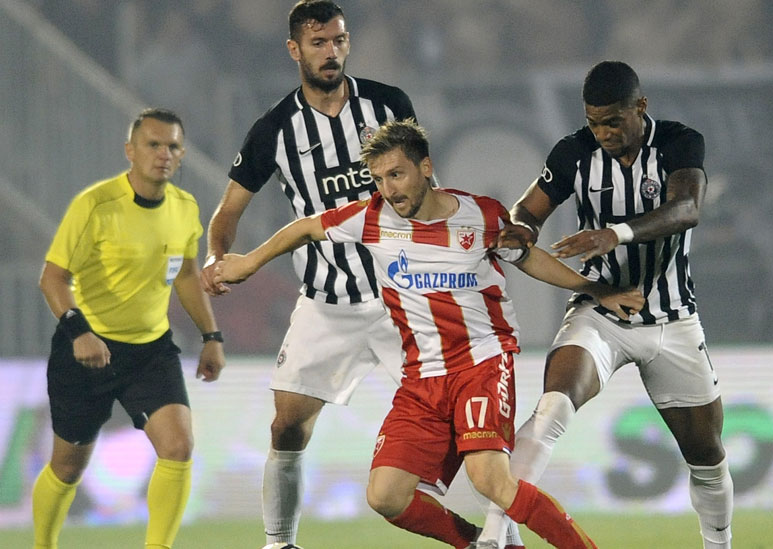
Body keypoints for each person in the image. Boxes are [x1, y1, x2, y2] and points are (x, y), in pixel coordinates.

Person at [213, 119, 645, 548]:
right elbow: (306, 226)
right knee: (386, 496)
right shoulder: (370, 218)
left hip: (482, 362)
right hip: (422, 377)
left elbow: (529, 259)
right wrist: (249, 261)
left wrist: (595, 289)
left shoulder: (482, 215)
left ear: (425, 167)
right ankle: (480, 543)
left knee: (490, 479)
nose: (389, 189)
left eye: (396, 174)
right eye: (379, 179)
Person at [201, 2, 516, 548]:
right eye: (319, 43)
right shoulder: (274, 128)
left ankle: (500, 534)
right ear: (294, 50)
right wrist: (216, 256)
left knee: (472, 427)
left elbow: (423, 181)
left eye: (339, 41)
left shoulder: (388, 103)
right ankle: (280, 543)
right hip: (327, 301)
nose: (332, 53)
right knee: (287, 426)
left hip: (406, 298)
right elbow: (227, 213)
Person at [477, 61, 734, 549]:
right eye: (595, 122)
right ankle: (495, 534)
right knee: (554, 404)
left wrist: (612, 234)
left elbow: (687, 209)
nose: (603, 133)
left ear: (640, 106)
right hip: (601, 311)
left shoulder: (680, 142)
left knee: (707, 454)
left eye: (613, 121)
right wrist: (520, 234)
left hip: (673, 318)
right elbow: (526, 211)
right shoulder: (574, 153)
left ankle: (719, 545)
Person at [32, 108, 226, 549]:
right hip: (85, 349)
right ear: (130, 151)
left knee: (178, 447)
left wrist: (211, 336)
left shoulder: (184, 207)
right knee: (67, 468)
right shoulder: (95, 205)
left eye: (173, 146)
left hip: (150, 352)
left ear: (182, 154)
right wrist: (79, 332)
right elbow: (52, 277)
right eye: (153, 145)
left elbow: (187, 275)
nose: (164, 154)